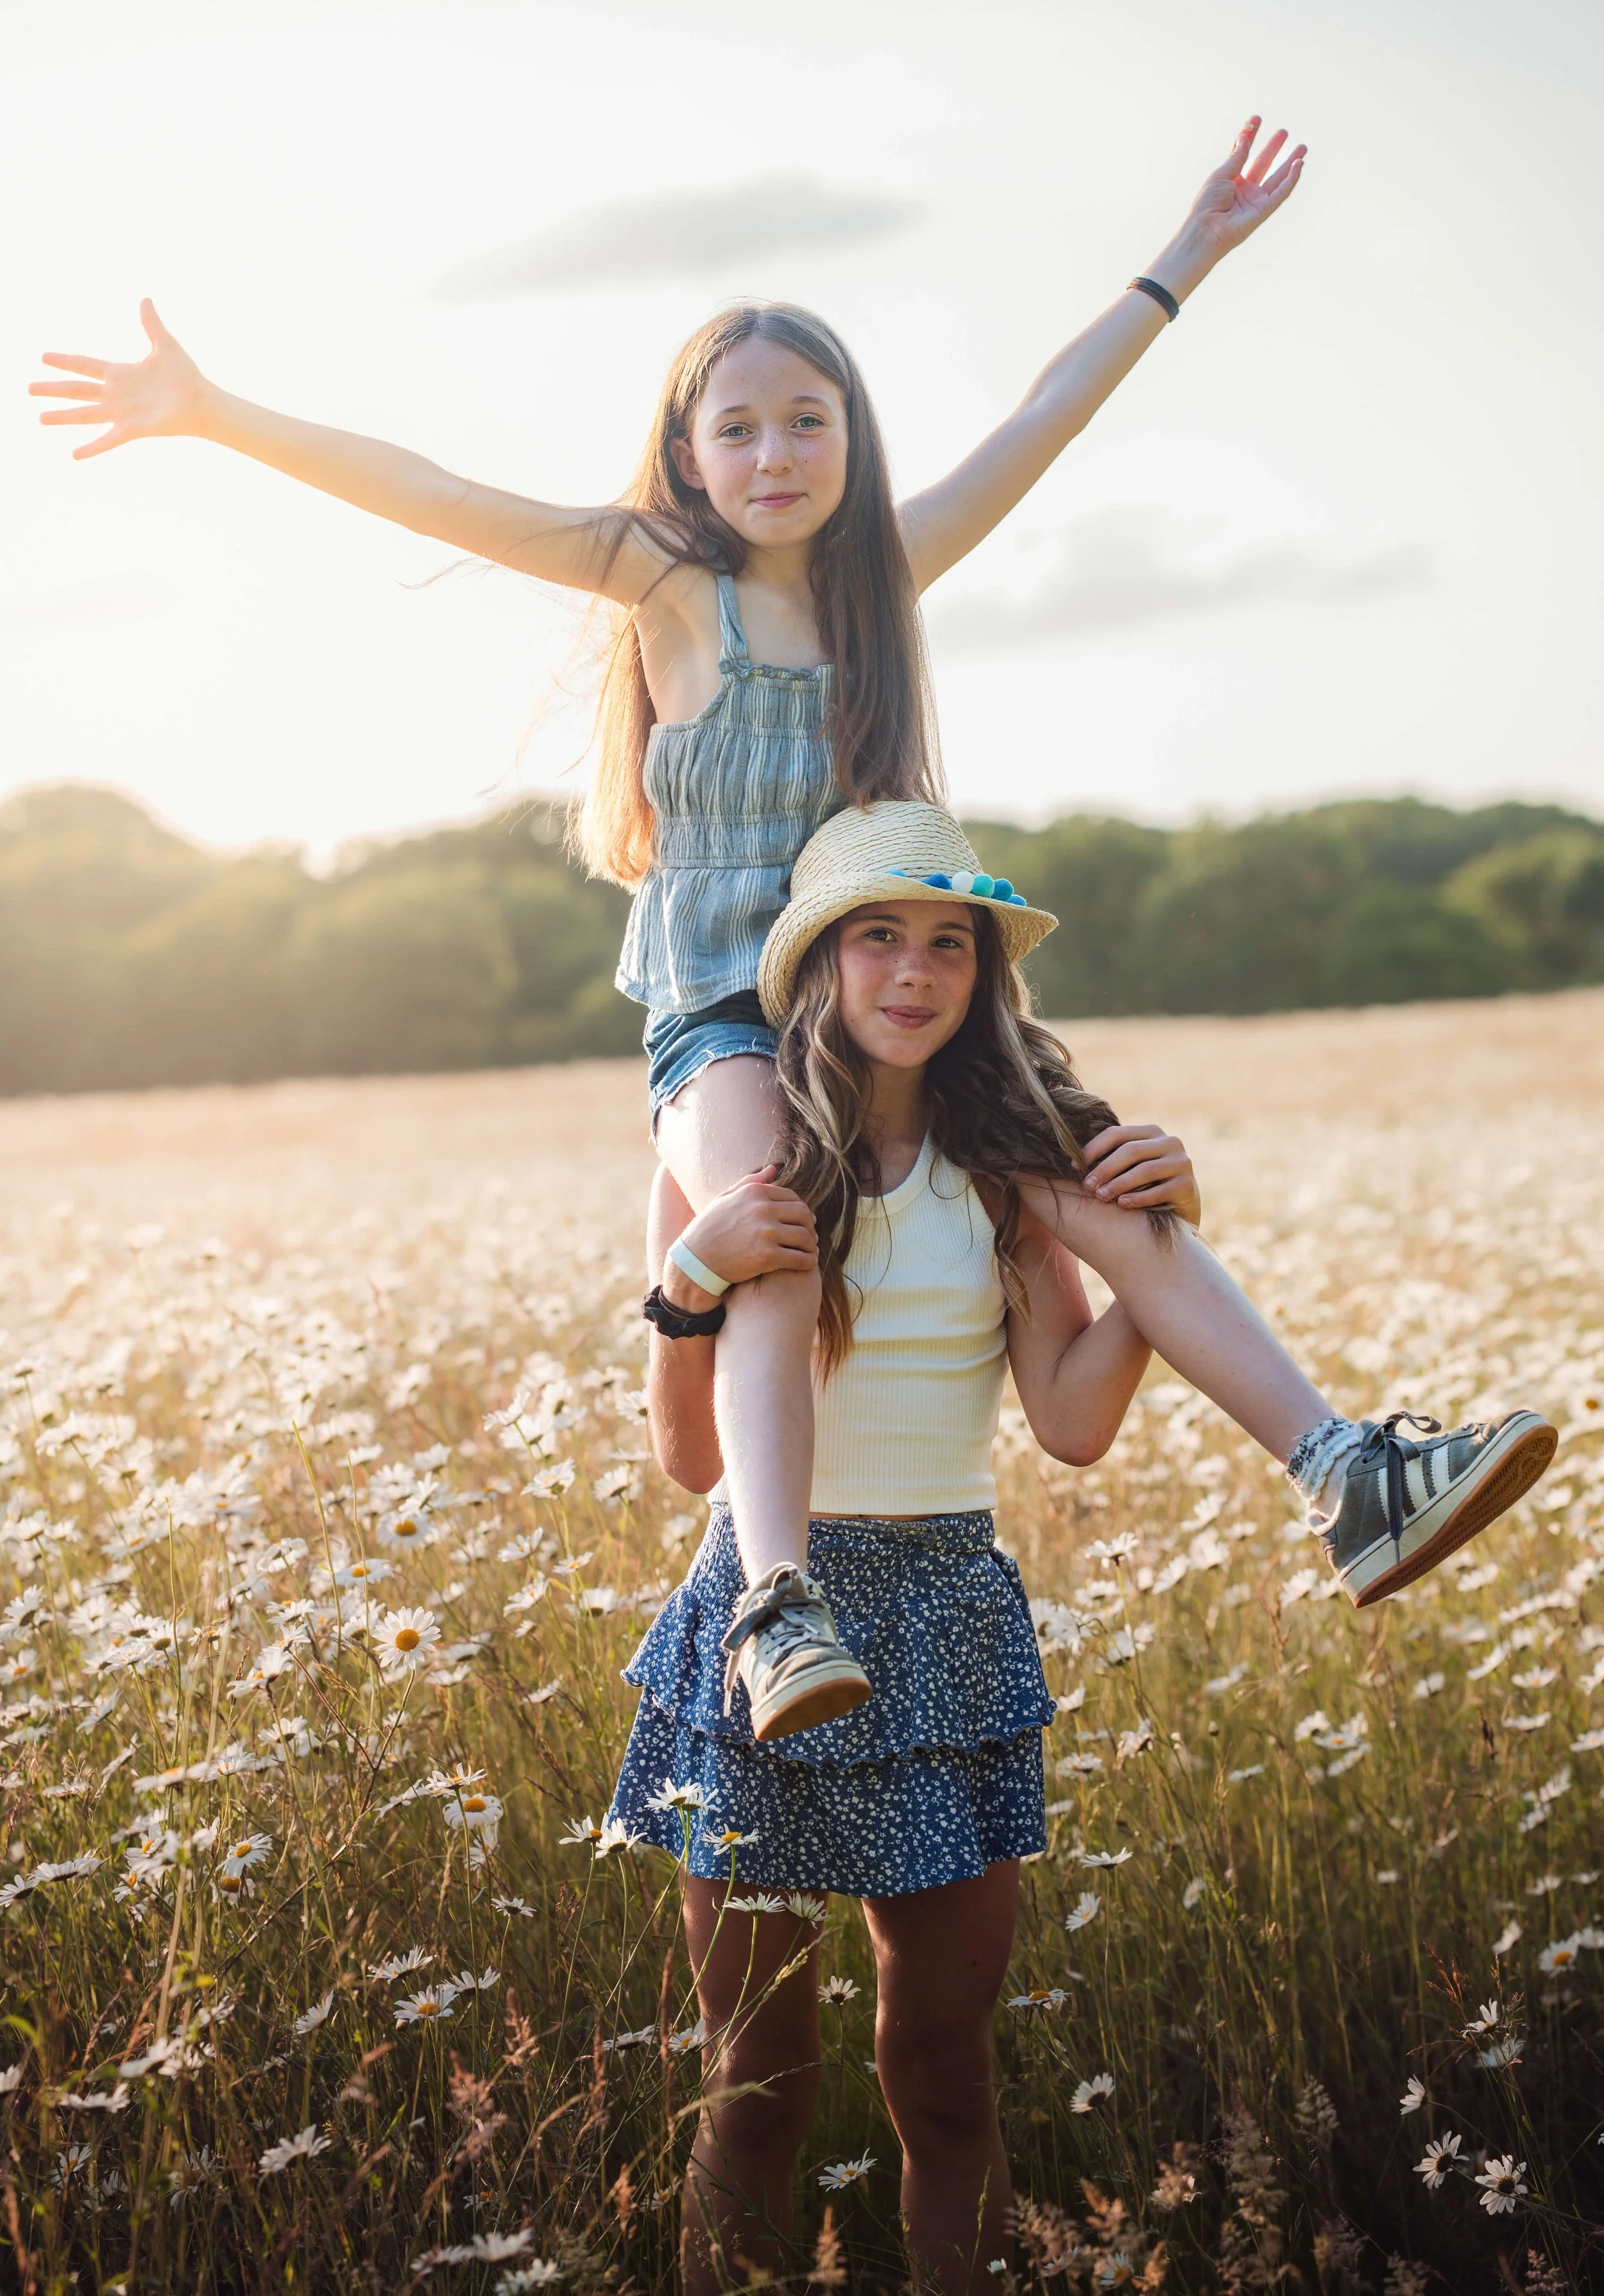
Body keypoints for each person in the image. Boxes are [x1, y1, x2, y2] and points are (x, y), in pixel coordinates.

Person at [35, 119, 1331, 1739]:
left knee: (1101, 1180)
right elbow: (434, 490)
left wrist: (1183, 257)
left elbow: (1044, 415)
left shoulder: (889, 575)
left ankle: (1341, 1465)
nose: (776, 452)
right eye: (739, 427)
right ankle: (777, 1604)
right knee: (766, 1206)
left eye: (808, 420)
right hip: (727, 1007)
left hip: (888, 991)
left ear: (850, 436)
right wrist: (218, 415)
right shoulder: (658, 576)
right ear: (688, 450)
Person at [612, 803, 1554, 2292]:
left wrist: (1147, 1251)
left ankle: (1353, 1476)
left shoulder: (1010, 1178)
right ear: (815, 964)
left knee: (942, 2075)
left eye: (947, 946)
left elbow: (1064, 1419)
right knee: (756, 2081)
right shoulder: (728, 1156)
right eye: (878, 938)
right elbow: (686, 1460)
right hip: (766, 1616)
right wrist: (681, 1282)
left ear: (982, 979)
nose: (913, 975)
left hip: (940, 1619)